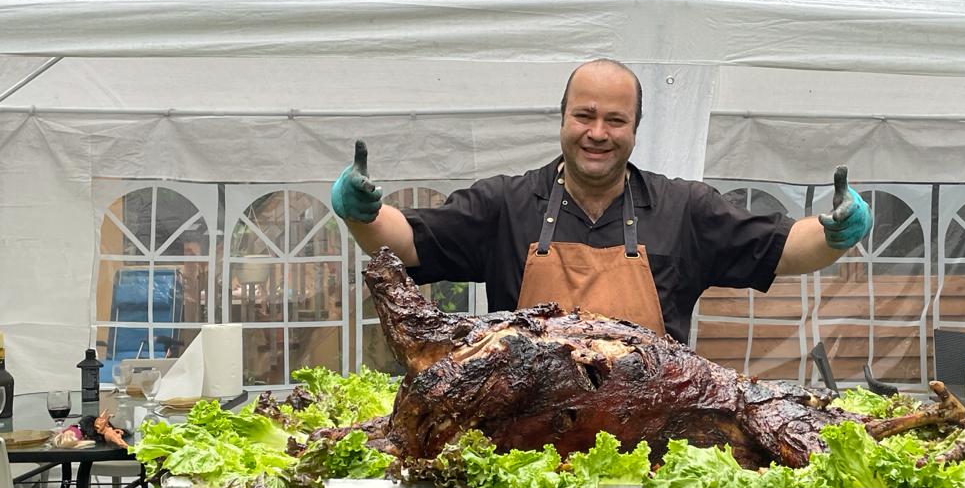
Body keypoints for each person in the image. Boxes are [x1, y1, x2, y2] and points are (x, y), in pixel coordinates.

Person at [331, 58, 871, 342]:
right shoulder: (506, 205)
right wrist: (364, 213)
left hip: (651, 456)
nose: (598, 132)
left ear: (635, 129)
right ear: (562, 119)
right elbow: (408, 244)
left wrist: (835, 231)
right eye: (585, 116)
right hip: (529, 454)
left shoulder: (684, 209)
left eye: (615, 120)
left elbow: (781, 248)